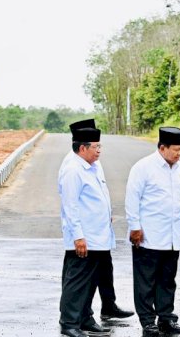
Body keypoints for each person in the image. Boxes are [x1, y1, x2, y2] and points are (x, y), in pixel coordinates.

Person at [125, 127, 180, 337]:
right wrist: (135, 227)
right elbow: (132, 199)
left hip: (172, 236)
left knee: (167, 280)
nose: (179, 153)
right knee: (146, 281)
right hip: (148, 235)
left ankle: (166, 318)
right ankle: (147, 321)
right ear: (162, 148)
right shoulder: (143, 167)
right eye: (175, 149)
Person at [57, 119, 114, 337]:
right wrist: (78, 237)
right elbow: (70, 207)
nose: (99, 150)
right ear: (82, 148)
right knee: (77, 281)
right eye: (96, 147)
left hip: (98, 234)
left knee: (90, 280)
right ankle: (69, 322)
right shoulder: (73, 170)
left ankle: (84, 317)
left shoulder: (91, 165)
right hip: (84, 237)